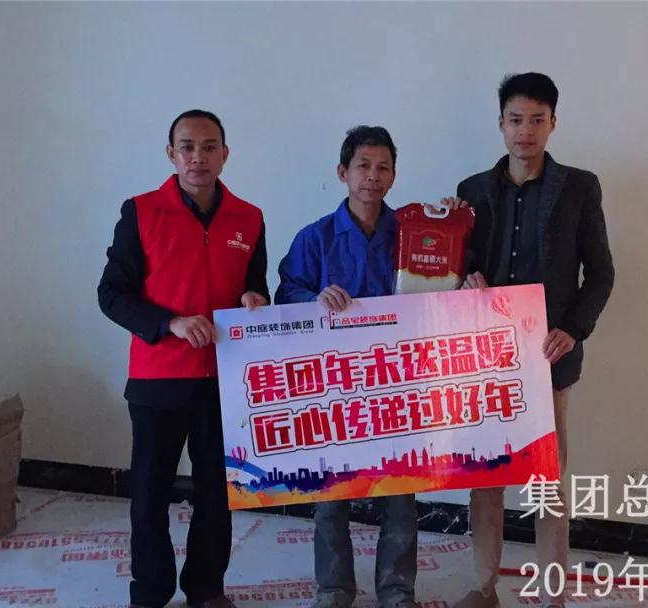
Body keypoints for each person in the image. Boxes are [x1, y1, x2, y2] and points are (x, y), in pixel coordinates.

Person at [275, 125, 463, 608]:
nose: (372, 176)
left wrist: (453, 227)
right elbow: (285, 295)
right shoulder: (315, 238)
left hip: (398, 385)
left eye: (383, 167)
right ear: (342, 172)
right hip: (333, 388)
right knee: (331, 497)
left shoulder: (412, 234)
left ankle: (397, 590)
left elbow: (444, 287)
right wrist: (314, 298)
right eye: (363, 166)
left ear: (394, 176)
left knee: (400, 497)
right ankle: (334, 588)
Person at [454, 73, 615, 608]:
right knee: (486, 475)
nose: (525, 131)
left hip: (549, 354)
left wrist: (573, 329)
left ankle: (553, 595)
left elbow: (601, 272)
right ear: (500, 124)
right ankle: (483, 586)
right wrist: (466, 277)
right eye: (516, 120)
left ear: (553, 124)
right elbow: (462, 265)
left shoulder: (579, 187)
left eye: (537, 120)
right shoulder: (472, 190)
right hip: (486, 356)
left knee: (547, 479)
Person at [98, 109, 268, 608]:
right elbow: (112, 294)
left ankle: (206, 589)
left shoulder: (249, 217)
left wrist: (256, 299)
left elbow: (256, 286)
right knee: (151, 493)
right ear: (171, 154)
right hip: (158, 379)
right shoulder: (141, 212)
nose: (198, 157)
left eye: (209, 147)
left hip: (224, 379)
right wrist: (169, 323)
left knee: (218, 492)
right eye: (188, 147)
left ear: (225, 154)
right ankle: (150, 592)